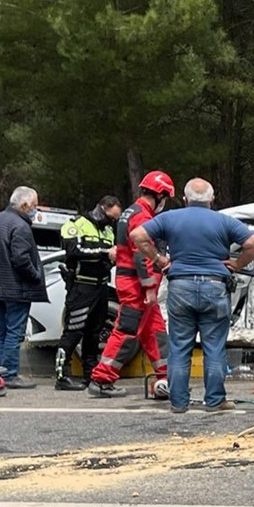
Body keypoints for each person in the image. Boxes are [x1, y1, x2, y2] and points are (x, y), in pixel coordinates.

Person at [130, 178, 254, 414]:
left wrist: (160, 260)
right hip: (215, 286)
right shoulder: (224, 220)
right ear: (212, 200)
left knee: (180, 346)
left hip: (180, 285)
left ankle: (178, 403)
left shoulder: (170, 218)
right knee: (214, 346)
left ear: (185, 199)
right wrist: (236, 263)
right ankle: (214, 401)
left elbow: (138, 235)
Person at [87, 171, 176, 399]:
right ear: (160, 195)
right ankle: (101, 379)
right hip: (137, 287)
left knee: (155, 332)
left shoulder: (131, 212)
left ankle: (166, 376)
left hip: (136, 284)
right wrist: (148, 287)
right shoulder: (142, 217)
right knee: (126, 331)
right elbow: (141, 255)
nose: (164, 204)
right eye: (165, 199)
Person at [0, 186, 48, 388]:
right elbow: (21, 259)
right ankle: (9, 374)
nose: (36, 210)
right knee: (14, 332)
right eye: (35, 205)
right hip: (16, 288)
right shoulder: (20, 226)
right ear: (24, 205)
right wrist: (35, 276)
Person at [53, 195, 122, 390]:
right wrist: (104, 253)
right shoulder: (76, 224)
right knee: (73, 332)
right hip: (81, 287)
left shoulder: (108, 230)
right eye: (111, 217)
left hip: (101, 288)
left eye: (115, 219)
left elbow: (111, 256)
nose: (112, 222)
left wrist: (110, 257)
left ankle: (90, 376)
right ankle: (61, 376)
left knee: (94, 334)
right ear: (101, 209)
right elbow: (75, 250)